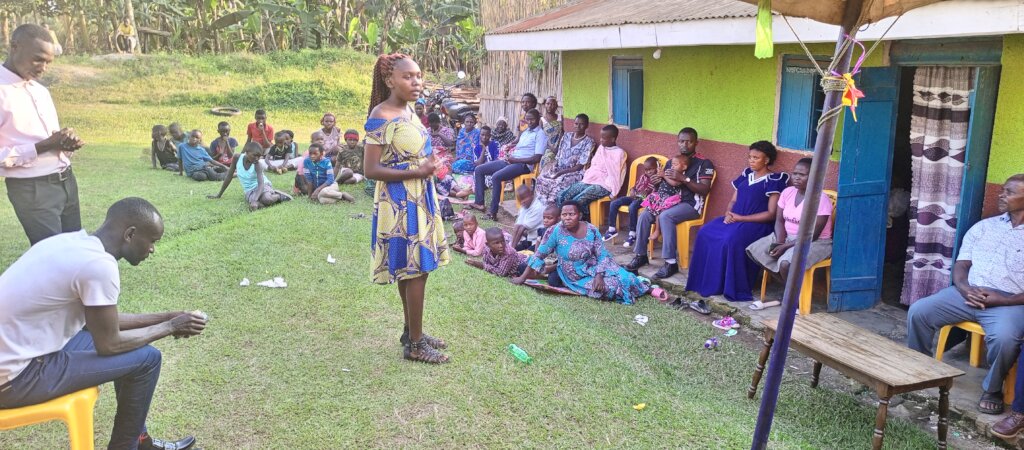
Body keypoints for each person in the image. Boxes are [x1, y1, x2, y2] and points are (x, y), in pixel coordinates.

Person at [0, 197, 207, 450]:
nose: (152, 249)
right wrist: (171, 327)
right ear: (130, 234)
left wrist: (168, 317)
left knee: (138, 353)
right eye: (152, 241)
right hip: (15, 378)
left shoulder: (71, 242)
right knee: (147, 360)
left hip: (20, 354)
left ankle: (140, 441)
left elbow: (101, 324)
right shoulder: (99, 266)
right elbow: (109, 344)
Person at [907, 175, 1024, 416]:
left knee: (1005, 338)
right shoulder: (984, 227)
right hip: (967, 293)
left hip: (1010, 302)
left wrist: (1004, 300)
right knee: (919, 311)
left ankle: (992, 389)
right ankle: (917, 368)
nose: (1001, 195)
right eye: (1001, 190)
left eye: (1009, 192)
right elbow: (961, 265)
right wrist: (964, 288)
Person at [363, 53, 450, 364]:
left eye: (418, 75)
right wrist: (417, 171)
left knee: (416, 270)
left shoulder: (410, 111)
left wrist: (427, 166)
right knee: (417, 270)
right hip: (400, 200)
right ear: (390, 81)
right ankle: (415, 345)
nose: (416, 82)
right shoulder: (381, 115)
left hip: (420, 194)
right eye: (408, 77)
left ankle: (411, 331)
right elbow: (370, 169)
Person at [1, 24, 86, 246]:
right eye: (38, 59)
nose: (43, 68)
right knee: (53, 258)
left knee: (75, 250)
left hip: (66, 181)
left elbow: (51, 139)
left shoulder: (41, 91)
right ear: (15, 47)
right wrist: (43, 146)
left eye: (48, 62)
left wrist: (66, 143)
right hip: (32, 190)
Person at [684, 141, 788, 302]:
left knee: (730, 240)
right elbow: (733, 201)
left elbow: (771, 214)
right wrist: (728, 213)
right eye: (750, 157)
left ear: (766, 160)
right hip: (735, 218)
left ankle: (729, 285)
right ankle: (705, 281)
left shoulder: (774, 180)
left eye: (756, 158)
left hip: (757, 225)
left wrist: (741, 218)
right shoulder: (746, 174)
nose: (751, 160)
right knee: (705, 232)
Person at [512, 201, 651, 305]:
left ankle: (645, 289)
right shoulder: (555, 231)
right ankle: (633, 289)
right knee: (609, 288)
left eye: (571, 214)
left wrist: (598, 275)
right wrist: (522, 278)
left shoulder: (591, 230)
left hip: (596, 267)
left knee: (627, 278)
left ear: (579, 215)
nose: (567, 218)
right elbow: (539, 255)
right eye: (564, 215)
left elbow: (602, 254)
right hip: (575, 275)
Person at [625, 127, 716, 281]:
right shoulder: (670, 162)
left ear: (696, 143)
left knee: (666, 216)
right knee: (645, 214)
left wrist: (683, 178)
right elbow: (663, 187)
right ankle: (640, 255)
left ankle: (670, 262)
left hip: (690, 204)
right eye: (681, 141)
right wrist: (656, 183)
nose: (684, 145)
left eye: (689, 141)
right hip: (668, 201)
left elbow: (704, 190)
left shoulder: (704, 163)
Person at [745, 157, 833, 310]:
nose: (797, 177)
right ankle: (791, 291)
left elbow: (814, 234)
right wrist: (779, 242)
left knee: (786, 263)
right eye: (795, 173)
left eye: (802, 175)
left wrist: (785, 247)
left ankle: (793, 299)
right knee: (755, 251)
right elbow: (779, 221)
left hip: (815, 242)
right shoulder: (787, 192)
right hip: (786, 237)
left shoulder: (820, 199)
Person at [471, 108, 545, 220]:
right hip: (511, 161)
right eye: (527, 119)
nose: (529, 122)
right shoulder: (525, 132)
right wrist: (509, 149)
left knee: (496, 177)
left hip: (523, 165)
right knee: (479, 169)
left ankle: (493, 212)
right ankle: (479, 203)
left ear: (538, 119)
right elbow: (518, 146)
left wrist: (516, 160)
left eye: (532, 120)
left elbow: (536, 158)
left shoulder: (540, 134)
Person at [556, 125, 626, 220]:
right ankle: (564, 221)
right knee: (562, 195)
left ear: (613, 139)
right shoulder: (601, 148)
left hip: (605, 184)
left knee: (578, 200)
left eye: (604, 138)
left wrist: (613, 192)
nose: (601, 140)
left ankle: (581, 223)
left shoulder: (619, 153)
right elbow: (595, 165)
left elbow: (616, 173)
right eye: (601, 137)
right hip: (591, 179)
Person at [534, 114, 596, 206]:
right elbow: (559, 156)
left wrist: (561, 173)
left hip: (575, 173)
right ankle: (541, 207)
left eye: (581, 124)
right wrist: (554, 167)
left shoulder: (589, 142)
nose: (578, 126)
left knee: (557, 182)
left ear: (586, 126)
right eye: (576, 123)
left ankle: (553, 208)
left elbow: (580, 166)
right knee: (541, 178)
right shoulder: (566, 136)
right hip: (559, 168)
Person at [208, 142, 292, 210]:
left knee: (267, 199)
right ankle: (266, 199)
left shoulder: (257, 165)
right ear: (247, 152)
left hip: (262, 186)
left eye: (259, 156)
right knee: (254, 206)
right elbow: (229, 176)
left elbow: (261, 184)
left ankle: (278, 195)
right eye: (254, 155)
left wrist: (255, 200)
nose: (256, 158)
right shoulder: (237, 158)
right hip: (249, 190)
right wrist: (219, 195)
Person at [603, 156, 659, 245]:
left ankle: (633, 233)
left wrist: (645, 193)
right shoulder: (643, 177)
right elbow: (635, 186)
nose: (648, 172)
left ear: (657, 167)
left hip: (644, 200)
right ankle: (612, 229)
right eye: (646, 170)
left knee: (632, 206)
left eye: (651, 169)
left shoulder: (657, 179)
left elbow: (654, 194)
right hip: (634, 197)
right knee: (614, 203)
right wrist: (632, 190)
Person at [510, 184, 546, 252]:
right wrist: (511, 247)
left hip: (538, 242)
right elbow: (517, 226)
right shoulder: (524, 206)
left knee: (523, 258)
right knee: (515, 251)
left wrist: (512, 250)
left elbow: (521, 229)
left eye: (524, 198)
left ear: (531, 194)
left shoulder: (538, 207)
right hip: (529, 239)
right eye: (520, 200)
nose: (522, 202)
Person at [539, 96, 563, 165]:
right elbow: (542, 138)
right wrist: (552, 148)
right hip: (548, 147)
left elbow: (563, 133)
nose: (550, 106)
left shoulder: (560, 118)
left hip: (560, 146)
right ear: (545, 105)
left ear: (556, 106)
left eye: (552, 104)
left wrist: (559, 147)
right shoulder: (542, 120)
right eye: (548, 103)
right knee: (547, 158)